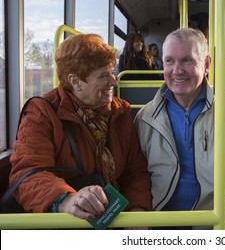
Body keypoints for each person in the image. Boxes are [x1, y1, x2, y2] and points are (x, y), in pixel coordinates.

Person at [134, 28, 225, 230]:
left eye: (187, 60)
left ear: (206, 64)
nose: (177, 70)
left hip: (214, 220)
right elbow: (135, 176)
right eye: (170, 61)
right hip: (159, 220)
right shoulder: (146, 117)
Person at [9, 34, 152, 220]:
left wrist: (137, 212)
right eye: (103, 76)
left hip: (118, 217)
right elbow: (28, 174)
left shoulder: (119, 112)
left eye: (112, 73)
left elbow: (135, 171)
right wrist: (68, 200)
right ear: (75, 81)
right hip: (68, 222)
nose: (114, 82)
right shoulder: (42, 113)